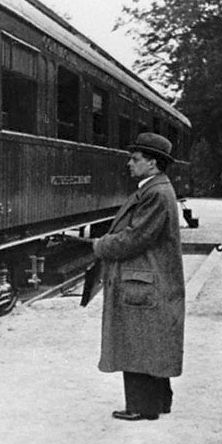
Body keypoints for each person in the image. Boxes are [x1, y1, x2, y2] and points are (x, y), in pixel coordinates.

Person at [92, 132, 186, 421]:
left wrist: (100, 245)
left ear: (153, 164)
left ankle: (141, 407)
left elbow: (136, 237)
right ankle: (158, 401)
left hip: (143, 280)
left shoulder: (155, 193)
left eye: (135, 159)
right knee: (151, 341)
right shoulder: (157, 189)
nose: (129, 164)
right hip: (147, 278)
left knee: (136, 342)